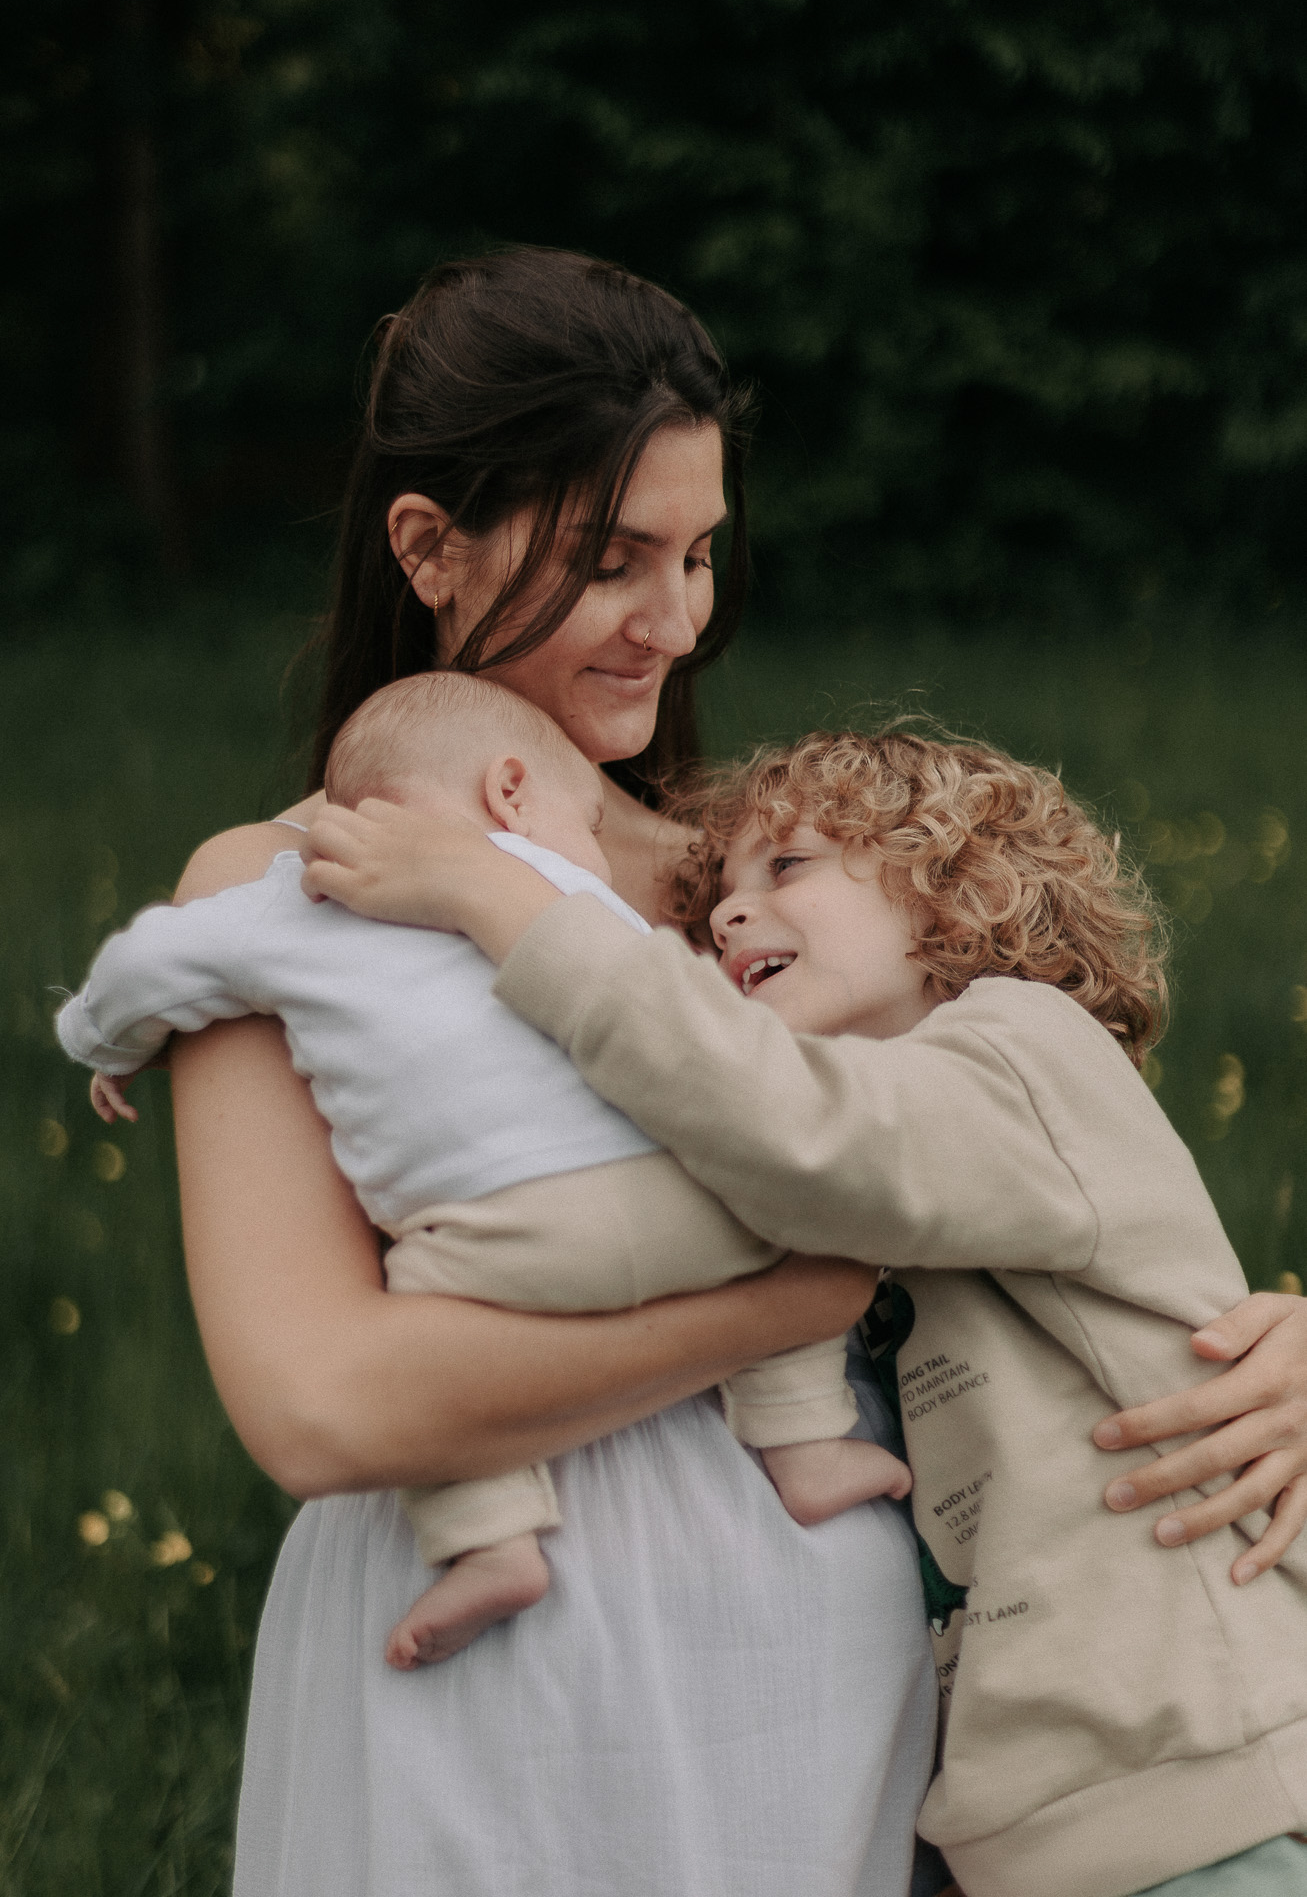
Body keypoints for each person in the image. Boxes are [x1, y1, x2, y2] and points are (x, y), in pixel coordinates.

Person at [154, 246, 1307, 1896]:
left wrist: (1266, 1346)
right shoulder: (279, 893)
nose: (677, 620)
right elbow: (322, 1403)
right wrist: (793, 1295)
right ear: (429, 545)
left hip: (825, 1679)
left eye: (696, 554)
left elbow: (1051, 1181)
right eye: (609, 559)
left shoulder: (747, 879)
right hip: (490, 1659)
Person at [299, 724, 1307, 1897]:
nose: (730, 915)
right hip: (1046, 1831)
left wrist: (505, 902)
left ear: (955, 888)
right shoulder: (882, 1156)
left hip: (1204, 1797)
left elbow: (789, 1125)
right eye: (719, 895)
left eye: (787, 868)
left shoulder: (1025, 1053)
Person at [59, 670, 907, 1673]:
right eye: (585, 820)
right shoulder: (581, 900)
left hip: (503, 1239)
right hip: (683, 1201)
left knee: (416, 1302)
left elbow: (151, 965)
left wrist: (102, 1041)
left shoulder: (288, 900)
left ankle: (491, 1537)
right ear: (510, 792)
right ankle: (804, 1443)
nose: (593, 845)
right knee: (786, 1209)